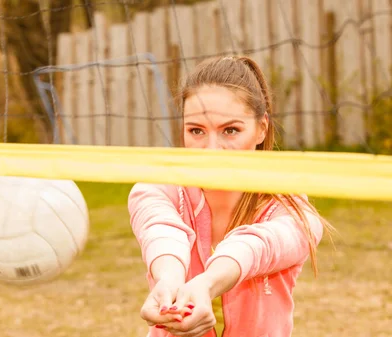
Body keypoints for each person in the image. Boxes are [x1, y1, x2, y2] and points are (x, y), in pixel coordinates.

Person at [127, 55, 333, 337]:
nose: (212, 149)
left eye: (231, 130)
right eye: (196, 130)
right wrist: (169, 280)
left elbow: (257, 246)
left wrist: (206, 284)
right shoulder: (156, 189)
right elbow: (161, 231)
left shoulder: (291, 209)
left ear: (261, 128)